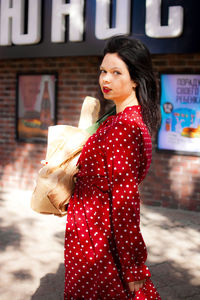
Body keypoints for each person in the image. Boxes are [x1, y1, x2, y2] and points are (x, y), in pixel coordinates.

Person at [64, 35, 161, 299]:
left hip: (100, 242)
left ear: (135, 79)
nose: (105, 79)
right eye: (103, 71)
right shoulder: (114, 120)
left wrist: (133, 267)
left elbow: (125, 201)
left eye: (116, 72)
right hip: (89, 236)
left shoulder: (124, 128)